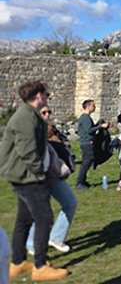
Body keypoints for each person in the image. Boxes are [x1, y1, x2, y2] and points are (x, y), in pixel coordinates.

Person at [1, 81, 69, 281]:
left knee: (24, 218)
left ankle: (18, 262)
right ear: (39, 96)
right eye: (46, 94)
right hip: (27, 176)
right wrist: (39, 172)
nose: (47, 98)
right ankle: (40, 266)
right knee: (44, 217)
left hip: (24, 175)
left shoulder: (29, 115)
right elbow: (27, 151)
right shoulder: (26, 118)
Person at [25, 105, 77, 256]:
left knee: (70, 203)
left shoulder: (44, 129)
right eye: (44, 112)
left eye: (49, 112)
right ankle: (31, 244)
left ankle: (56, 237)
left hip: (52, 174)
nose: (47, 115)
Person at [75, 99, 108, 189]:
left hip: (87, 142)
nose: (95, 107)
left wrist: (98, 124)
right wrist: (100, 126)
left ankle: (83, 181)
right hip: (87, 142)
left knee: (87, 161)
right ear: (88, 106)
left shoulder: (86, 117)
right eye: (93, 105)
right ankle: (79, 182)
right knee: (87, 161)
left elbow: (90, 128)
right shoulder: (85, 117)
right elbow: (89, 130)